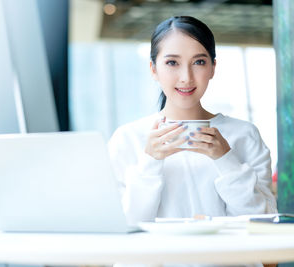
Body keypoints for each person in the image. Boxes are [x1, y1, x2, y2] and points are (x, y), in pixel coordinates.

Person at [107, 16, 277, 228]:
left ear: (213, 67)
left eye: (199, 62)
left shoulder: (244, 134)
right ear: (153, 69)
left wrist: (226, 159)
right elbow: (126, 226)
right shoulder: (128, 138)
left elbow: (261, 222)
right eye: (172, 63)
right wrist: (150, 162)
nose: (186, 77)